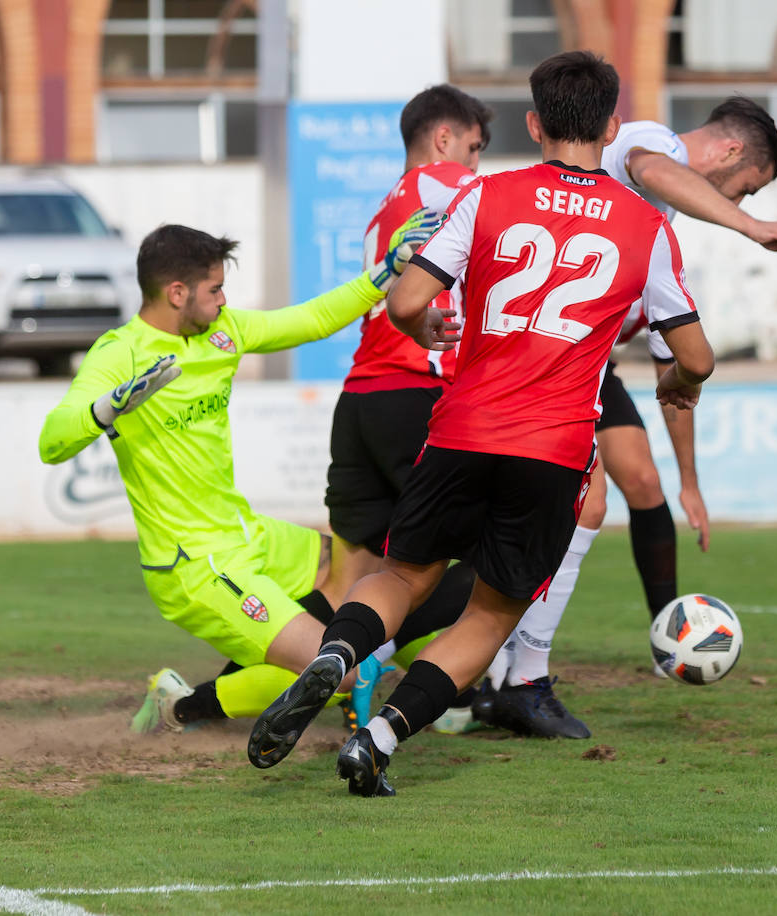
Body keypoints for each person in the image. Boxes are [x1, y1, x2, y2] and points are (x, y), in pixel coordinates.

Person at [247, 50, 715, 797]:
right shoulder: (644, 224)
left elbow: (402, 304)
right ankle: (378, 740)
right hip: (555, 449)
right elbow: (694, 353)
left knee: (400, 573)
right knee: (492, 613)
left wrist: (432, 326)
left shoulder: (485, 195)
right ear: (613, 125)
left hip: (462, 425)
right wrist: (677, 382)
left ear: (534, 124)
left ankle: (336, 655)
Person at [473, 97, 777, 738]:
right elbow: (655, 167)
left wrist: (690, 482)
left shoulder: (658, 230)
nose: (740, 195)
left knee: (638, 481)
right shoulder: (654, 146)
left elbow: (673, 381)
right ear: (732, 154)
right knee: (579, 505)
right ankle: (509, 671)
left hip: (585, 362)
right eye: (747, 185)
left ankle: (643, 636)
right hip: (538, 357)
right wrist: (748, 223)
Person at [37, 217, 434, 734]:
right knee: (341, 672)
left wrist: (384, 274)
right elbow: (52, 441)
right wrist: (106, 408)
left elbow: (309, 320)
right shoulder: (120, 354)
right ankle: (178, 708)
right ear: (176, 292)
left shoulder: (223, 332)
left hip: (248, 533)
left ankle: (424, 682)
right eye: (215, 288)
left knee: (360, 572)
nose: (224, 300)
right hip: (194, 565)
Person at [320, 84, 493, 733]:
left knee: (350, 583)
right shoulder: (448, 183)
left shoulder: (384, 209)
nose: (477, 163)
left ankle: (201, 698)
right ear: (445, 139)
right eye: (474, 147)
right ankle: (389, 663)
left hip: (360, 400)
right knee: (498, 552)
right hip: (415, 392)